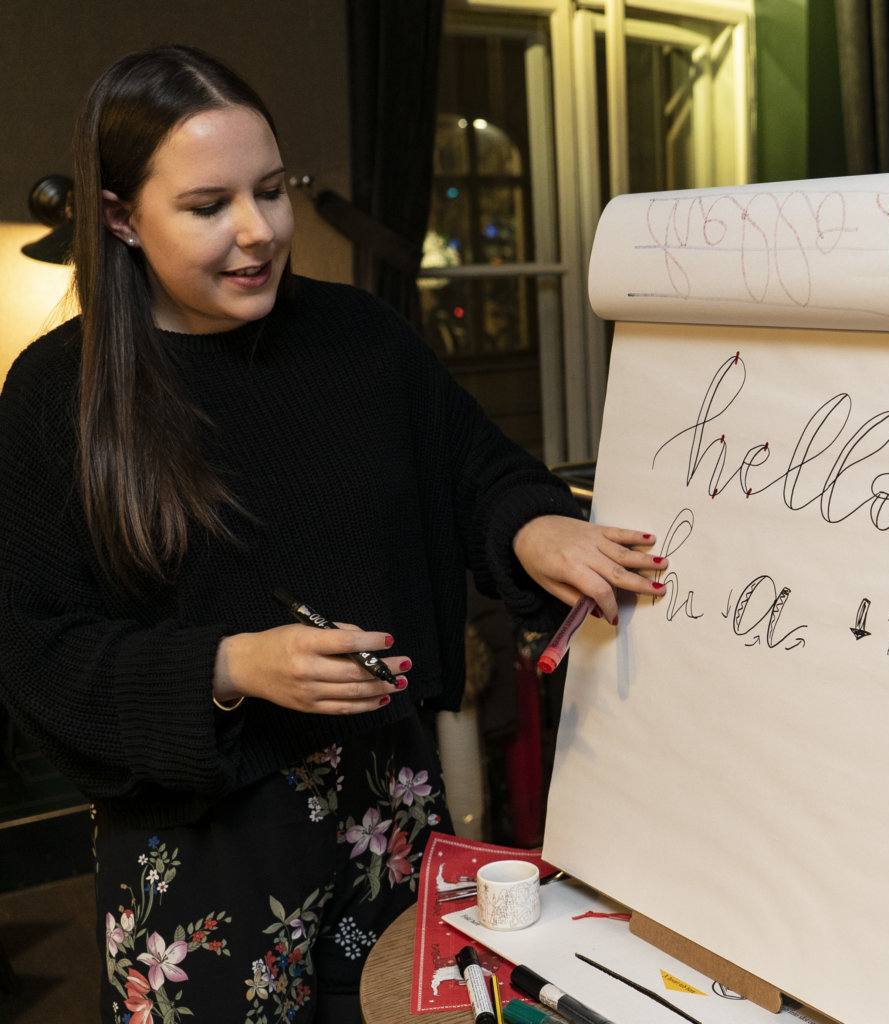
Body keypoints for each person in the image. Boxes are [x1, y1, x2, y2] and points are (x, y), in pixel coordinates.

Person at [0, 45, 666, 1022]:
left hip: (386, 809)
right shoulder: (58, 395)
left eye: (271, 191)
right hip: (199, 844)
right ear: (117, 217)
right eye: (207, 205)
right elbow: (34, 645)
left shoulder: (363, 337)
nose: (257, 232)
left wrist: (530, 528)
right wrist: (228, 665)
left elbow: (476, 471)